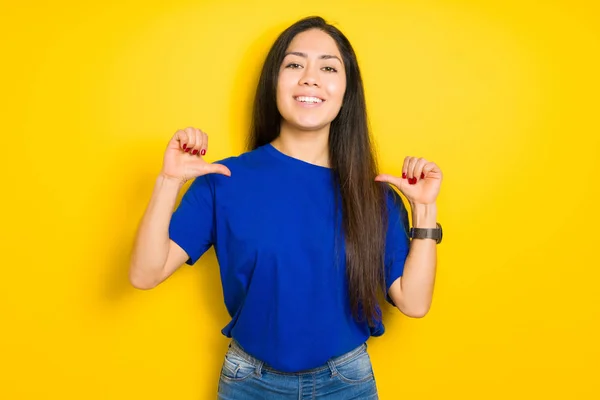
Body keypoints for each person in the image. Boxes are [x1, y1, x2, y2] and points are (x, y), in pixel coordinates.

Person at [129, 15, 443, 400]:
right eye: (294, 64)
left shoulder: (374, 195)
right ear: (273, 84)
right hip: (249, 382)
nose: (310, 77)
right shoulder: (223, 180)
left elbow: (413, 302)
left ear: (347, 91)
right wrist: (168, 182)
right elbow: (145, 274)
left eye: (328, 67)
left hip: (346, 383)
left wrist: (424, 211)